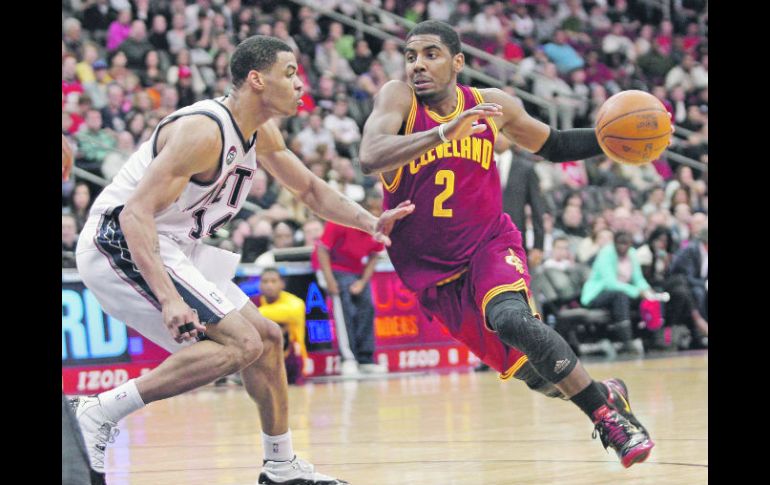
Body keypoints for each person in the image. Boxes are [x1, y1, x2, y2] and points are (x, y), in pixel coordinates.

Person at [72, 35, 413, 485]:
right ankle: (98, 411)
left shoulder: (260, 130)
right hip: (119, 240)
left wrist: (368, 221)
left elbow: (309, 189)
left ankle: (281, 465)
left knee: (267, 340)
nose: (300, 84)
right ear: (256, 79)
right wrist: (170, 299)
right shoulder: (204, 131)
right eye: (289, 73)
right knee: (240, 344)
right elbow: (135, 214)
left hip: (175, 244)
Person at [358, 20, 655, 467]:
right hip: (435, 275)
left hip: (488, 245)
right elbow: (369, 155)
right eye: (412, 55)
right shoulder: (398, 98)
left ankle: (609, 421)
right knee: (538, 376)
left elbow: (551, 143)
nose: (418, 64)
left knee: (511, 318)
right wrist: (444, 132)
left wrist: (612, 141)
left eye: (431, 54)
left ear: (458, 62)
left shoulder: (491, 105)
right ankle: (607, 393)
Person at [313, 191, 388, 376]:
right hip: (331, 267)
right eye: (372, 209)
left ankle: (365, 359)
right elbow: (322, 250)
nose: (375, 213)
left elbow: (373, 257)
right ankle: (348, 359)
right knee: (344, 309)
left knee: (367, 307)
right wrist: (330, 281)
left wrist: (363, 282)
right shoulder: (341, 222)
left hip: (356, 272)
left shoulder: (378, 229)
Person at [580, 231, 654, 354]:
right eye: (620, 243)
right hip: (597, 294)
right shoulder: (606, 253)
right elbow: (610, 283)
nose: (623, 247)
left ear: (631, 244)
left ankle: (653, 339)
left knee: (651, 298)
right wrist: (637, 291)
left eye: (626, 244)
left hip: (624, 293)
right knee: (620, 296)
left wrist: (647, 290)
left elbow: (638, 279)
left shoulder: (632, 254)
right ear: (614, 243)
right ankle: (626, 341)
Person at [258, 268, 310, 385]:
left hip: (292, 361)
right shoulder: (255, 301)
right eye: (265, 282)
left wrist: (254, 313)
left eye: (273, 281)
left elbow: (259, 315)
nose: (269, 285)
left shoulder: (295, 303)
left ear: (282, 284)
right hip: (263, 358)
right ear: (260, 285)